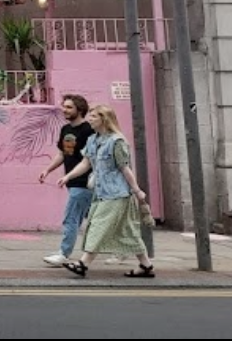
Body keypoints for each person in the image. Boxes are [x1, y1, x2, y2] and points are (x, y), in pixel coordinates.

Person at [56, 104, 154, 278]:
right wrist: (68, 177)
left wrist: (137, 191)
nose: (90, 119)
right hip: (101, 193)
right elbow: (86, 163)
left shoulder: (117, 141)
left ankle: (83, 264)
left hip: (117, 194)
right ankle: (146, 265)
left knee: (97, 227)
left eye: (93, 116)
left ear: (104, 119)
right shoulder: (92, 140)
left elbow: (125, 168)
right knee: (128, 232)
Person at [37, 94, 94, 267]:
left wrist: (71, 176)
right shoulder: (65, 130)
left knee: (71, 219)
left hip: (83, 182)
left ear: (80, 109)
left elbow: (89, 159)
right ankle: (126, 250)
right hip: (72, 182)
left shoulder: (88, 131)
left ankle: (64, 253)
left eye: (69, 107)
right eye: (64, 106)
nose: (65, 110)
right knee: (94, 220)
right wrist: (47, 169)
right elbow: (62, 154)